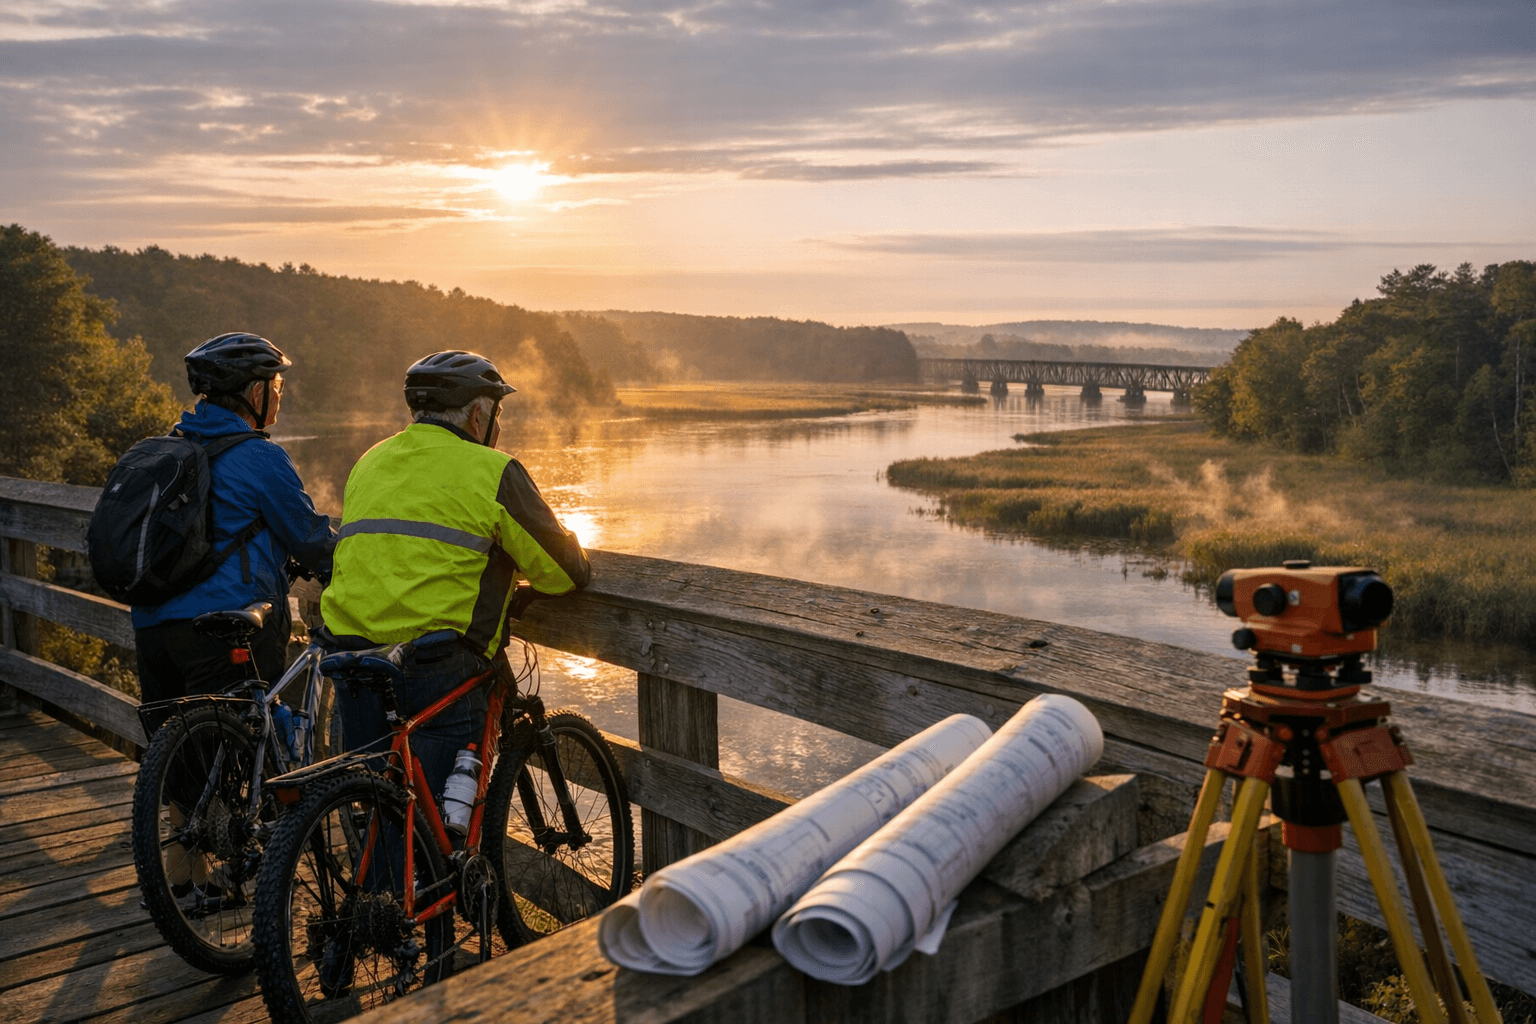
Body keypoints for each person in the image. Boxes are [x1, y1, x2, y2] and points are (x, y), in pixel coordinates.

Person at [319, 349, 591, 810]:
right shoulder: (492, 470)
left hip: (351, 654)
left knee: (381, 810)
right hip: (437, 666)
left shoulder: (370, 461)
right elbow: (564, 573)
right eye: (497, 414)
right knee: (438, 824)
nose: (498, 428)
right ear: (479, 414)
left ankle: (380, 879)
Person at [132, 332, 336, 706]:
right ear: (255, 393)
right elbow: (310, 540)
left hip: (152, 628)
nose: (279, 393)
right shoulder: (260, 457)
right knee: (239, 752)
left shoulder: (168, 449)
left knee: (180, 754)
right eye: (277, 384)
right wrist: (351, 561)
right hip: (224, 630)